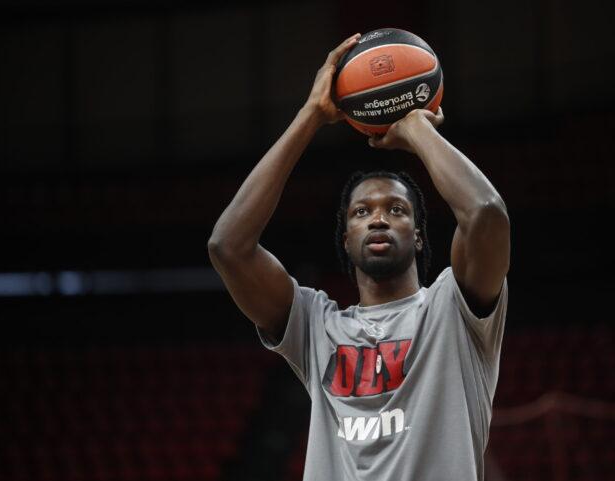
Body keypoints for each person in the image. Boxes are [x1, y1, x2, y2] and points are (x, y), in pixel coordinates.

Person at [208, 33, 510, 481]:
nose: (379, 219)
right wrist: (310, 116)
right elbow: (227, 246)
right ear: (346, 238)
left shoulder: (454, 310)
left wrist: (418, 129)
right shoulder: (316, 326)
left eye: (397, 210)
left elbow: (485, 213)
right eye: (362, 212)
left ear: (419, 236)